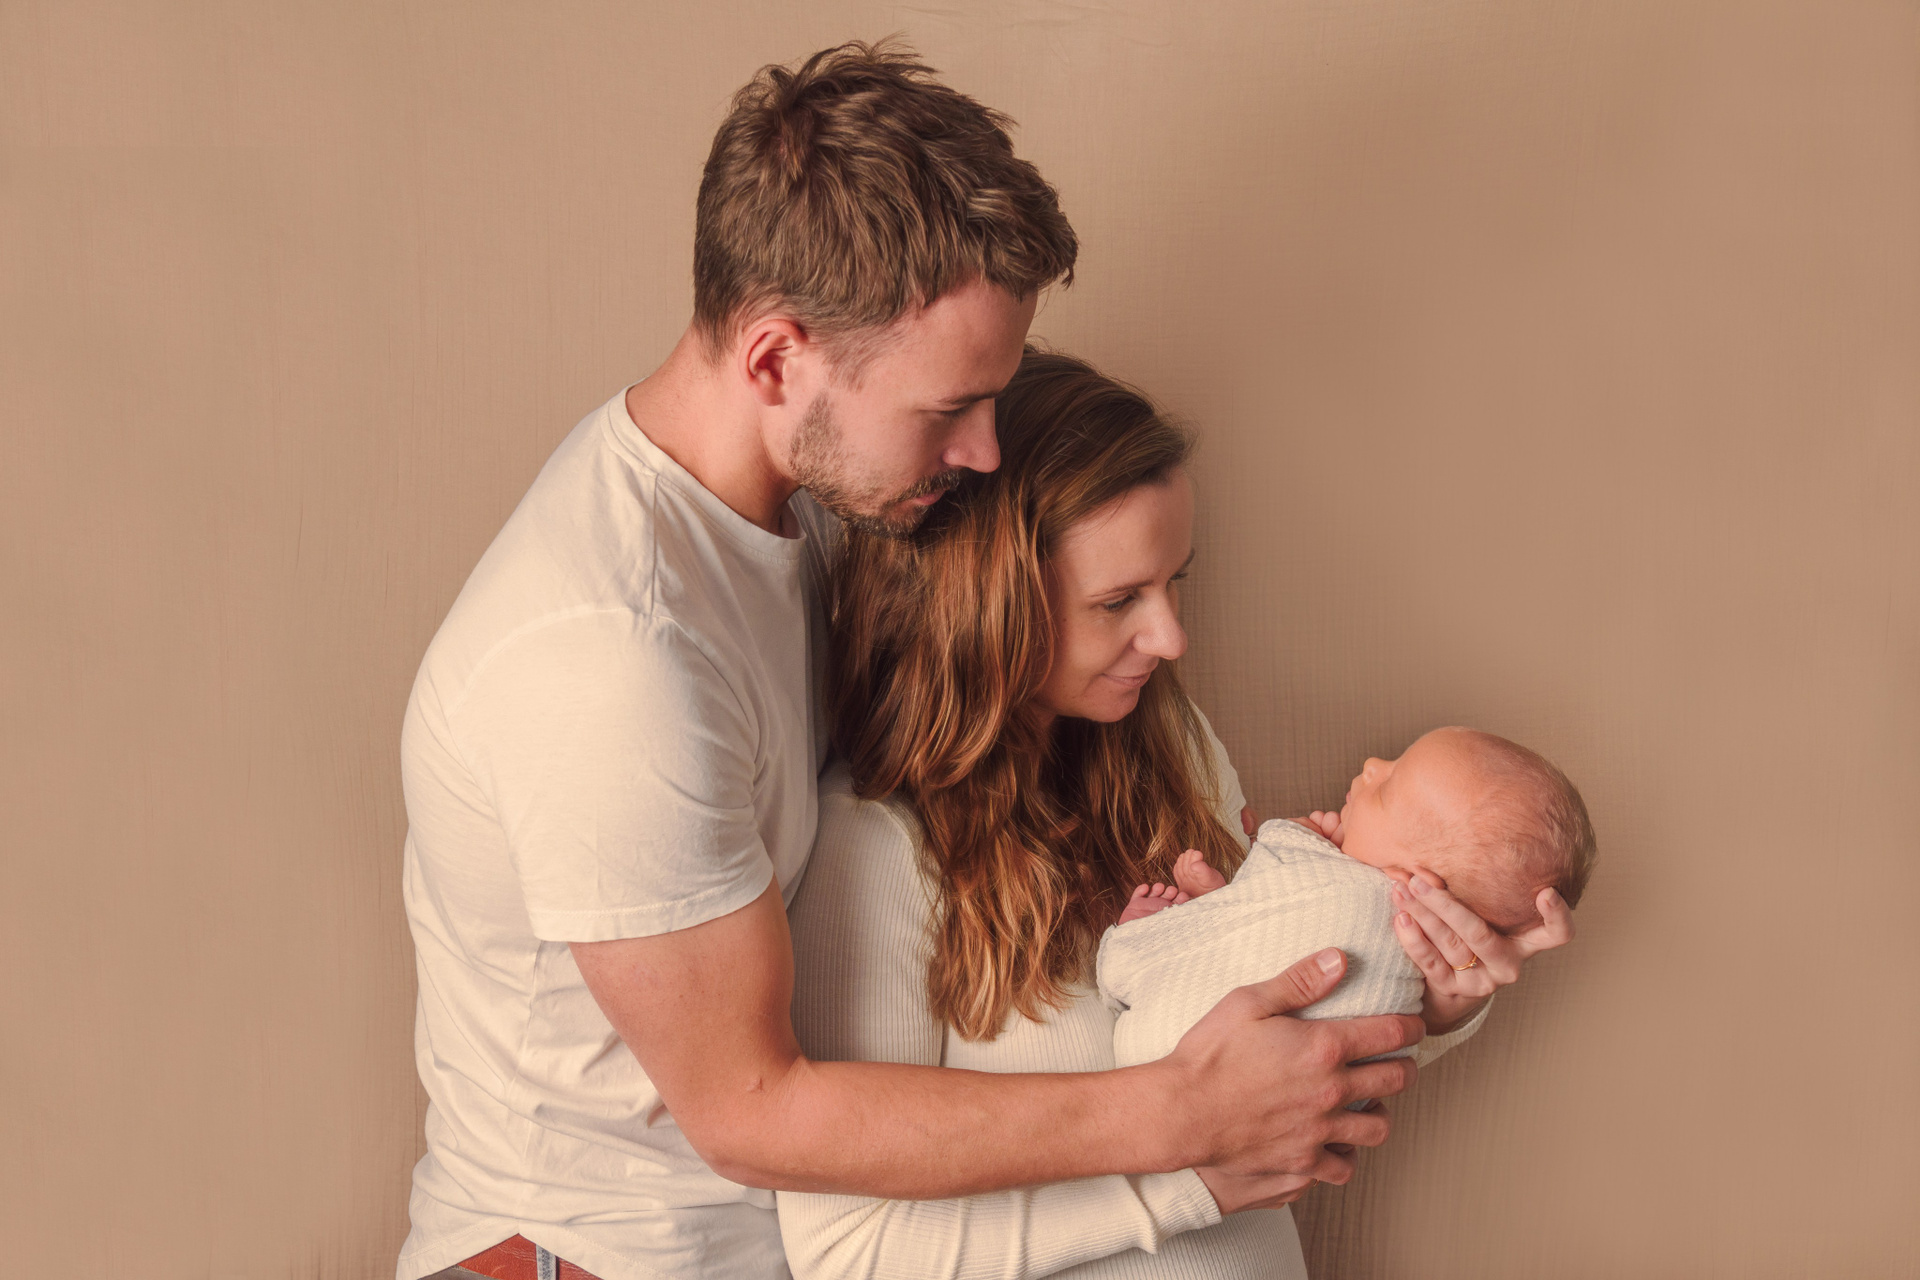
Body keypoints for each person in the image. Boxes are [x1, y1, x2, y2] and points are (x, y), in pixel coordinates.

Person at [399, 43, 1428, 1280]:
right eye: (948, 408)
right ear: (775, 359)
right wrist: (1185, 1118)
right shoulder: (610, 655)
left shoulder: (826, 514)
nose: (985, 450)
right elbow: (750, 1108)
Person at [776, 351, 1574, 1279]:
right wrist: (1191, 1182)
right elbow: (849, 1251)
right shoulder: (874, 848)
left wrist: (1435, 990)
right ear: (983, 606)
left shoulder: (1172, 750)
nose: (1171, 638)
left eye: (1173, 582)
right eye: (1118, 601)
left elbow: (1280, 1040)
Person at [1102, 727, 1595, 1076]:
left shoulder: (1368, 911)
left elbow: (1275, 910)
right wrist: (1229, 897)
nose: (1372, 765)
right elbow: (1263, 928)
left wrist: (1296, 840)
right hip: (1167, 1084)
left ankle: (1161, 933)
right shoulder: (1345, 897)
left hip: (1169, 1050)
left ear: (1413, 883)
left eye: (1386, 787)